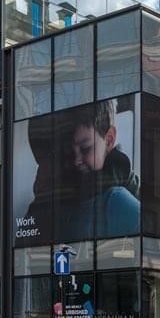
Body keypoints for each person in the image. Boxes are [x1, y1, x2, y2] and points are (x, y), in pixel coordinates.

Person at [53, 99, 140, 237]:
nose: (76, 161)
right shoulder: (64, 192)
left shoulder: (121, 203)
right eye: (70, 151)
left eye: (86, 149)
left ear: (109, 140)